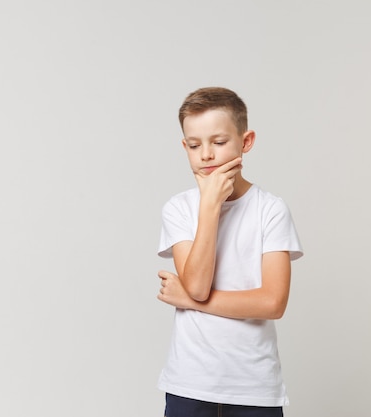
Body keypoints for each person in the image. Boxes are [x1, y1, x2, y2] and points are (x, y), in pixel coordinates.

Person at [157, 87, 303, 417]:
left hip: (254, 387)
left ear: (245, 142)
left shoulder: (271, 210)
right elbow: (197, 284)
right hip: (190, 383)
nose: (206, 154)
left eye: (219, 142)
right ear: (185, 147)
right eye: (195, 145)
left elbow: (272, 303)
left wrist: (188, 300)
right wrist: (209, 206)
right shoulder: (179, 209)